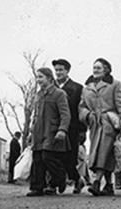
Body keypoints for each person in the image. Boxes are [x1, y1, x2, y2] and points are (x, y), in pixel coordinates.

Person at [79, 58, 121, 196]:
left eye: (99, 68)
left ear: (106, 70)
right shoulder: (87, 88)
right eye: (94, 67)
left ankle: (96, 182)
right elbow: (82, 107)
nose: (95, 70)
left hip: (109, 123)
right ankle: (109, 185)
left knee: (102, 152)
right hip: (94, 125)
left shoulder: (115, 84)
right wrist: (87, 115)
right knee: (105, 154)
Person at [26, 67, 71, 197]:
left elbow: (65, 114)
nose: (38, 80)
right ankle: (37, 187)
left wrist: (62, 130)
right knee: (38, 159)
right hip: (38, 133)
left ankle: (60, 177)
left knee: (48, 157)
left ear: (50, 78)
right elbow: (35, 115)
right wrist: (31, 132)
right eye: (37, 77)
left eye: (41, 77)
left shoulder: (59, 93)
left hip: (51, 132)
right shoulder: (38, 95)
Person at [52, 58, 86, 194]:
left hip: (72, 128)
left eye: (61, 70)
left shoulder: (77, 88)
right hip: (54, 128)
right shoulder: (51, 87)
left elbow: (81, 109)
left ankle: (77, 179)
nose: (58, 73)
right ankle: (54, 183)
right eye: (56, 70)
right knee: (53, 157)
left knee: (69, 159)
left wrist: (83, 130)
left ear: (67, 71)